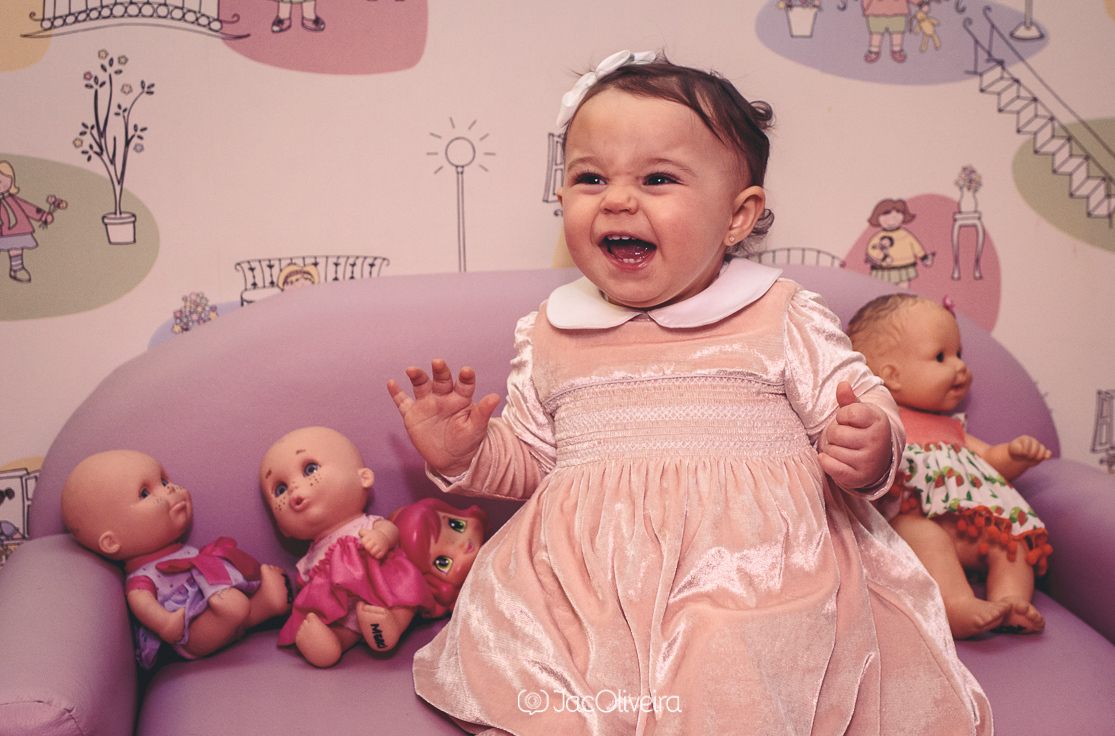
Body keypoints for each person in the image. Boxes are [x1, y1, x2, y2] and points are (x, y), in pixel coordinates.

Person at [389, 51, 991, 734]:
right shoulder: (551, 331)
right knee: (539, 662)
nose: (617, 198)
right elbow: (533, 461)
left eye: (657, 178)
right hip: (587, 586)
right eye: (589, 176)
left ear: (738, 217)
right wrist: (466, 452)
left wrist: (872, 441)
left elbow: (853, 397)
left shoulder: (780, 312)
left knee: (727, 649)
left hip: (756, 572)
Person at [846, 293, 1052, 639]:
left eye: (959, 354)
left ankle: (1010, 601)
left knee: (1012, 544)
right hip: (912, 522)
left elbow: (988, 461)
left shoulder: (954, 427)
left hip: (972, 530)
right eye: (941, 357)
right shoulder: (886, 422)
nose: (960, 367)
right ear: (891, 376)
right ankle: (956, 605)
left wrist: (1015, 455)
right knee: (928, 537)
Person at [260, 426, 486, 666]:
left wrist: (383, 538)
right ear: (283, 528)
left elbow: (390, 531)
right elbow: (307, 586)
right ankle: (330, 645)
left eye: (310, 469)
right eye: (280, 489)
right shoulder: (309, 558)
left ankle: (390, 628)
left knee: (404, 598)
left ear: (363, 478)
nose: (294, 487)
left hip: (382, 590)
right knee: (335, 625)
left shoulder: (366, 524)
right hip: (340, 612)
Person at [60, 450, 292, 669]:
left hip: (214, 606)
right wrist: (165, 624)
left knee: (234, 607)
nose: (170, 489)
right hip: (189, 633)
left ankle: (264, 604)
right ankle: (240, 611)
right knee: (230, 609)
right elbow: (141, 602)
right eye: (145, 493)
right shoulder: (143, 577)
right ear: (111, 543)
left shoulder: (186, 552)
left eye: (164, 481)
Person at [0, 161, 53, 283]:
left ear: (11, 180)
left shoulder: (13, 200)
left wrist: (43, 216)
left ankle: (17, 269)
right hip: (3, 230)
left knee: (16, 249)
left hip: (17, 229)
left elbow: (29, 209)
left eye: (3, 179)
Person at [865, 197, 932, 287]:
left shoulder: (905, 234)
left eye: (895, 218)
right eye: (886, 218)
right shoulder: (878, 237)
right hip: (884, 269)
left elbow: (916, 246)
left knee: (903, 288)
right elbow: (872, 249)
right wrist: (882, 257)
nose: (891, 221)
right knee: (885, 288)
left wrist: (923, 257)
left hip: (904, 266)